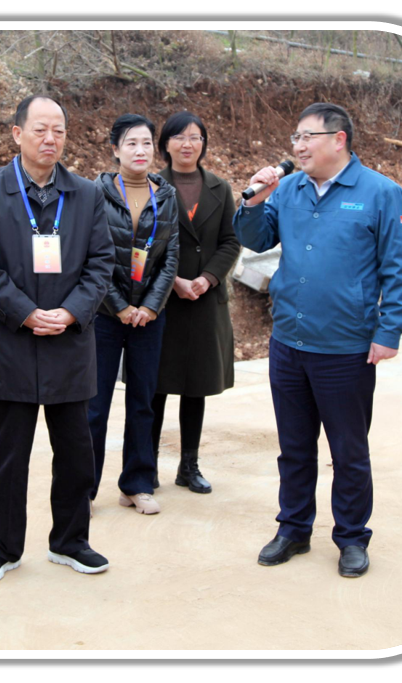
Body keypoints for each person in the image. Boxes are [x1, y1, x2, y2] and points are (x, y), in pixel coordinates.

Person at [233, 102, 402, 578]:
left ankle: (351, 537)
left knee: (348, 451)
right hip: (289, 340)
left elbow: (397, 269)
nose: (298, 146)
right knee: (294, 446)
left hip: (346, 346)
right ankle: (293, 529)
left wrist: (389, 330)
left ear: (339, 139)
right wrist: (253, 200)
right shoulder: (289, 188)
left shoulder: (380, 193)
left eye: (307, 136)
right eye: (295, 137)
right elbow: (256, 238)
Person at [0, 95, 116, 584]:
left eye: (59, 131)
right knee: (7, 456)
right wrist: (26, 313)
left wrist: (71, 312)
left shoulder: (86, 194)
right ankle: (1, 548)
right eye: (40, 130)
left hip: (68, 340)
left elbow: (102, 262)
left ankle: (71, 541)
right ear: (17, 134)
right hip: (7, 341)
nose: (50, 139)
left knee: (75, 452)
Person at [88, 114, 179, 516]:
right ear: (115, 149)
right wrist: (120, 306)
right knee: (94, 405)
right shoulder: (95, 193)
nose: (140, 151)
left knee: (143, 402)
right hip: (104, 316)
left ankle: (137, 484)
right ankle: (83, 488)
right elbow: (89, 257)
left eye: (146, 143)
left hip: (148, 318)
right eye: (131, 143)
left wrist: (149, 306)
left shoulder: (167, 195)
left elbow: (171, 257)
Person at [150, 111, 241, 495]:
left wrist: (208, 278)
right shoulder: (151, 187)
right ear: (165, 144)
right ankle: (146, 465)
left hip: (205, 301)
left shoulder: (219, 187)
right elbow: (140, 243)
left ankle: (189, 466)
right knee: (154, 388)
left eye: (196, 137)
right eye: (180, 137)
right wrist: (173, 281)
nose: (188, 144)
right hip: (161, 302)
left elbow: (231, 241)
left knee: (196, 387)